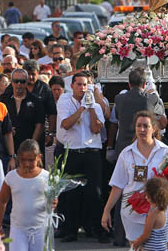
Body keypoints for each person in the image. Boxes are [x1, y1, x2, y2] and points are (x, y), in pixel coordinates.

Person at [102, 111, 168, 249]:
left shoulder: (166, 152)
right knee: (137, 247)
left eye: (146, 126)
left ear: (154, 128)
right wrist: (106, 211)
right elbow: (117, 186)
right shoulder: (126, 153)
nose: (142, 130)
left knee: (167, 247)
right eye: (138, 126)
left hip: (162, 210)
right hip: (133, 212)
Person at [56, 72, 106, 242]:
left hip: (91, 153)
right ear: (72, 85)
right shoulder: (65, 101)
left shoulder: (96, 107)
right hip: (73, 152)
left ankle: (95, 228)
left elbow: (96, 128)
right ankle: (70, 230)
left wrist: (91, 107)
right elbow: (66, 124)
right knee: (72, 194)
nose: (82, 88)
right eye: (79, 85)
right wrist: (82, 108)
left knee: (95, 193)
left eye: (85, 85)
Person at [0, 140, 50, 251]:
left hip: (40, 229)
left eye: (31, 160)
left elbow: (52, 199)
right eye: (23, 160)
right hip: (18, 229)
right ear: (18, 158)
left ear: (39, 157)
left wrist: (54, 202)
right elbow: (2, 201)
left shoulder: (46, 177)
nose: (27, 164)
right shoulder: (11, 177)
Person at [0, 69, 46, 159]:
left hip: (29, 145)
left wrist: (31, 146)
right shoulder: (3, 100)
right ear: (11, 82)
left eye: (22, 81)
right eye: (16, 81)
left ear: (27, 82)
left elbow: (40, 125)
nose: (19, 84)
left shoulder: (36, 101)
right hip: (7, 147)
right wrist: (6, 129)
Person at [130, 177, 168, 251]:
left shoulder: (153, 214)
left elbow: (146, 235)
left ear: (149, 196)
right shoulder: (164, 212)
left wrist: (137, 243)